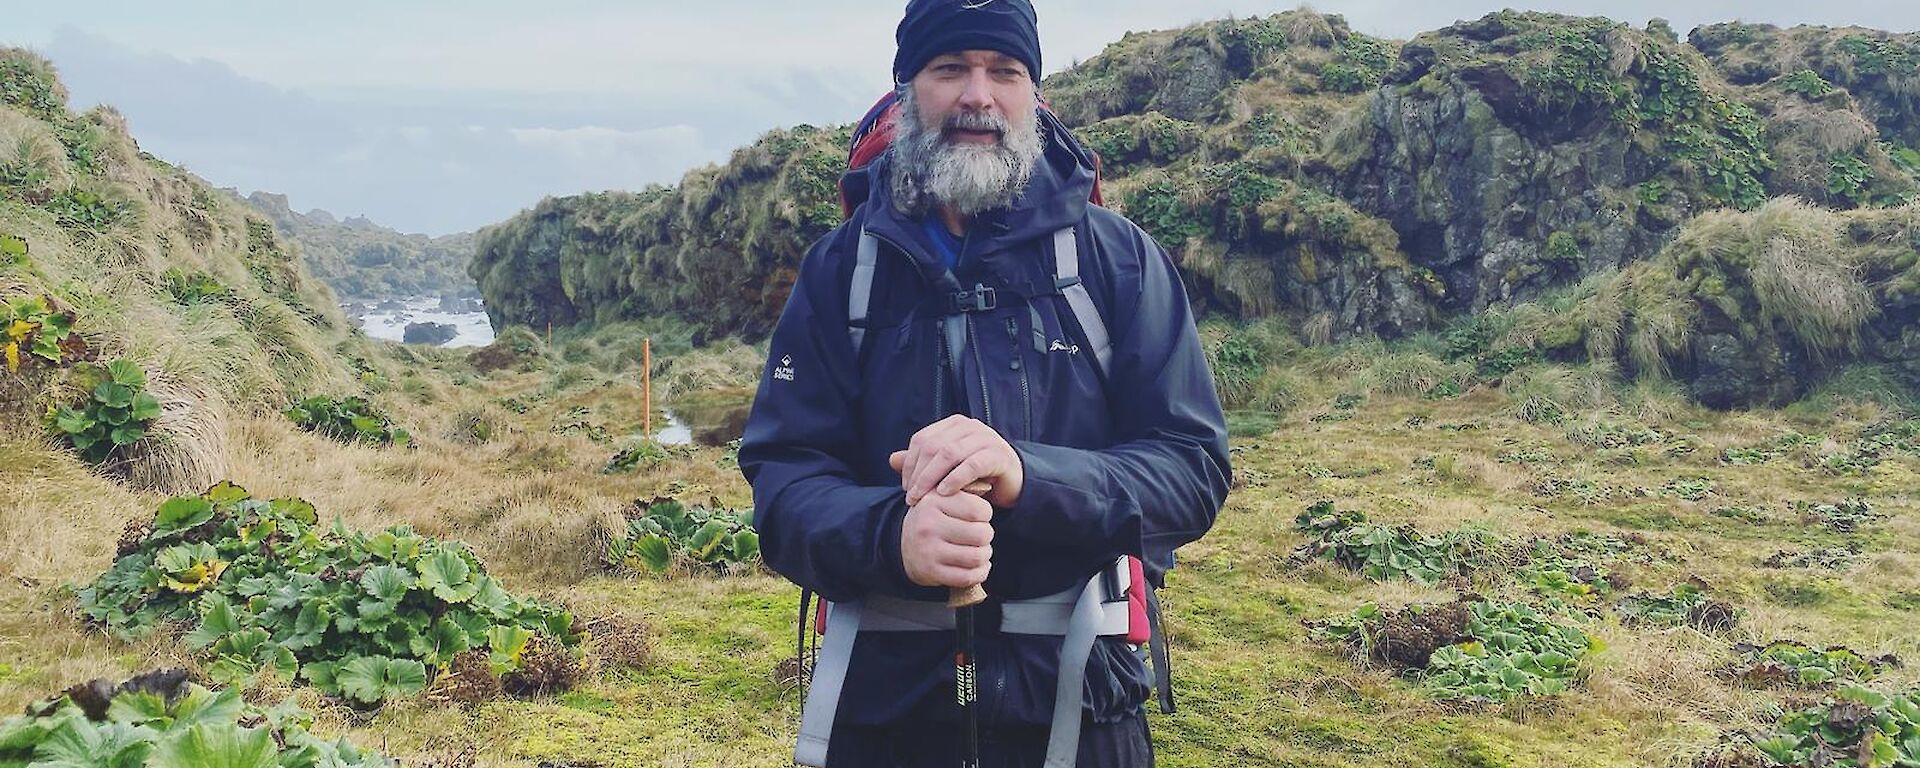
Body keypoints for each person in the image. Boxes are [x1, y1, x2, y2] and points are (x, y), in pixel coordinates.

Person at [738, 0, 1230, 764]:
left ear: (1034, 92)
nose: (978, 94)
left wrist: (1031, 476)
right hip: (885, 711)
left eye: (1005, 70)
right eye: (949, 69)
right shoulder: (842, 272)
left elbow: (1193, 468)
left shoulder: (1118, 260)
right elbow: (783, 481)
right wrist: (891, 538)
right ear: (908, 93)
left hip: (1082, 704)